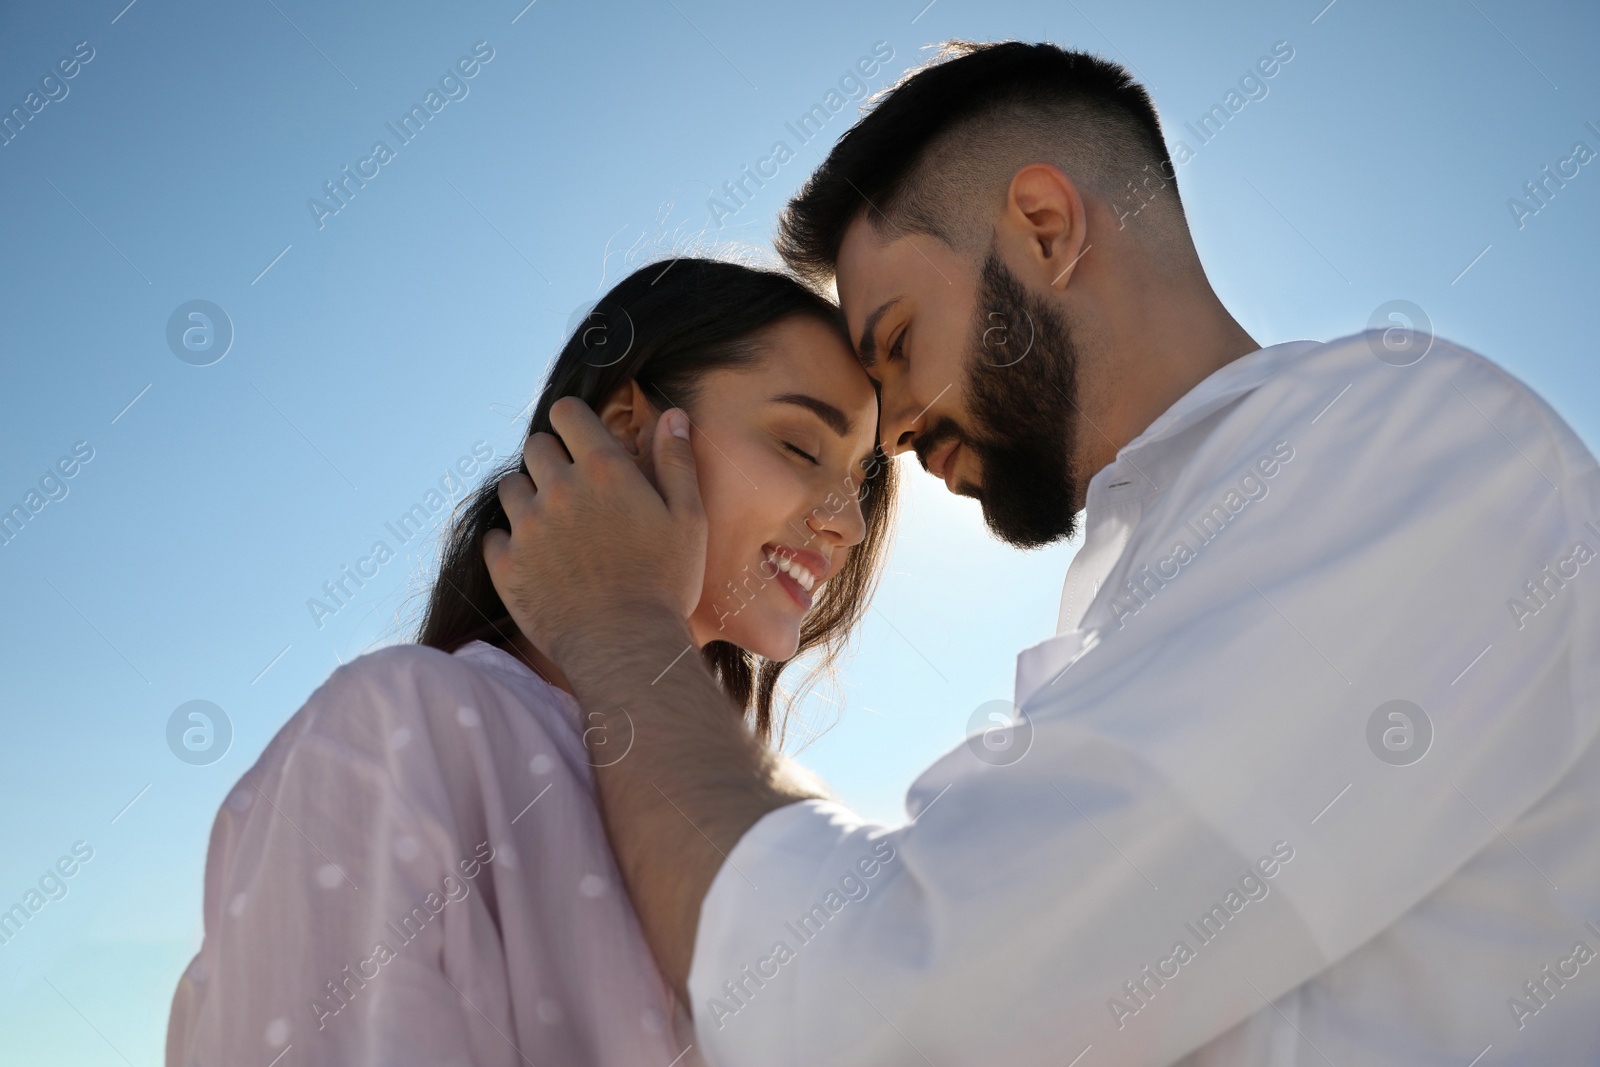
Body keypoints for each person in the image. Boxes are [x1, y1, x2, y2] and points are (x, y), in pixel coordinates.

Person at [481, 41, 1600, 1066]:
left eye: (899, 343)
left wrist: (622, 626)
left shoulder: (1398, 449)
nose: (899, 434)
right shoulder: (1160, 568)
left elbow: (896, 1010)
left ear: (1046, 227)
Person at [164, 258, 896, 1066]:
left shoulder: (767, 817)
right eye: (801, 445)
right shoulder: (400, 725)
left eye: (861, 478)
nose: (850, 524)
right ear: (627, 428)